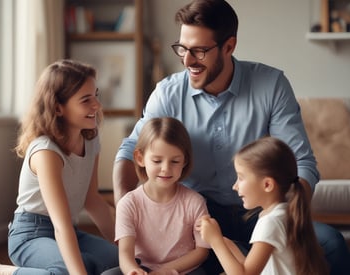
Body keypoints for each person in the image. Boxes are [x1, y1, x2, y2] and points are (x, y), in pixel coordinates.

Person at [112, 0, 350, 274]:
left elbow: (302, 163)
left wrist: (286, 221)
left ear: (229, 46)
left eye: (199, 51)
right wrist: (125, 212)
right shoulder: (168, 93)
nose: (187, 61)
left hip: (261, 210)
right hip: (196, 215)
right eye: (182, 49)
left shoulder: (271, 86)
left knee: (330, 244)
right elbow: (131, 149)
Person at [0, 60, 118, 275]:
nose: (96, 105)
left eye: (95, 95)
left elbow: (93, 200)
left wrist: (125, 249)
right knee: (66, 272)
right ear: (58, 107)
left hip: (69, 229)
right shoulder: (46, 152)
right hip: (30, 234)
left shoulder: (91, 138)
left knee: (123, 263)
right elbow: (60, 226)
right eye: (85, 99)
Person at [197, 136, 329, 275]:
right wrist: (224, 242)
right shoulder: (282, 213)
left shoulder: (270, 222)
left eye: (241, 178)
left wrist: (216, 242)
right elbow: (256, 268)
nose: (235, 186)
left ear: (267, 184)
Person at [103, 117, 209, 275]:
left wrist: (167, 271)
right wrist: (133, 271)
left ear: (184, 161)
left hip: (183, 270)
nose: (165, 169)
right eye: (157, 161)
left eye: (174, 161)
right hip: (143, 268)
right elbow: (125, 253)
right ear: (140, 158)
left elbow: (201, 251)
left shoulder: (195, 202)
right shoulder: (129, 203)